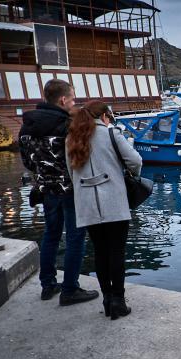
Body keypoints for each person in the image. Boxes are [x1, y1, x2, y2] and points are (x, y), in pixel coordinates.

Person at [18, 79, 99, 306]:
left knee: (51, 235)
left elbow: (29, 162)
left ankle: (48, 285)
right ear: (63, 100)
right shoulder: (66, 125)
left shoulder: (27, 126)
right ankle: (70, 289)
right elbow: (79, 158)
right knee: (75, 237)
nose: (74, 103)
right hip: (70, 190)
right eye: (72, 99)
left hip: (46, 189)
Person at [65, 101, 142, 320]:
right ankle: (118, 300)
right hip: (114, 202)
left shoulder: (71, 138)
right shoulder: (110, 134)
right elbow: (135, 161)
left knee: (100, 251)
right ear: (105, 116)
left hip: (87, 204)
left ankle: (107, 299)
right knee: (116, 251)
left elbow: (71, 173)